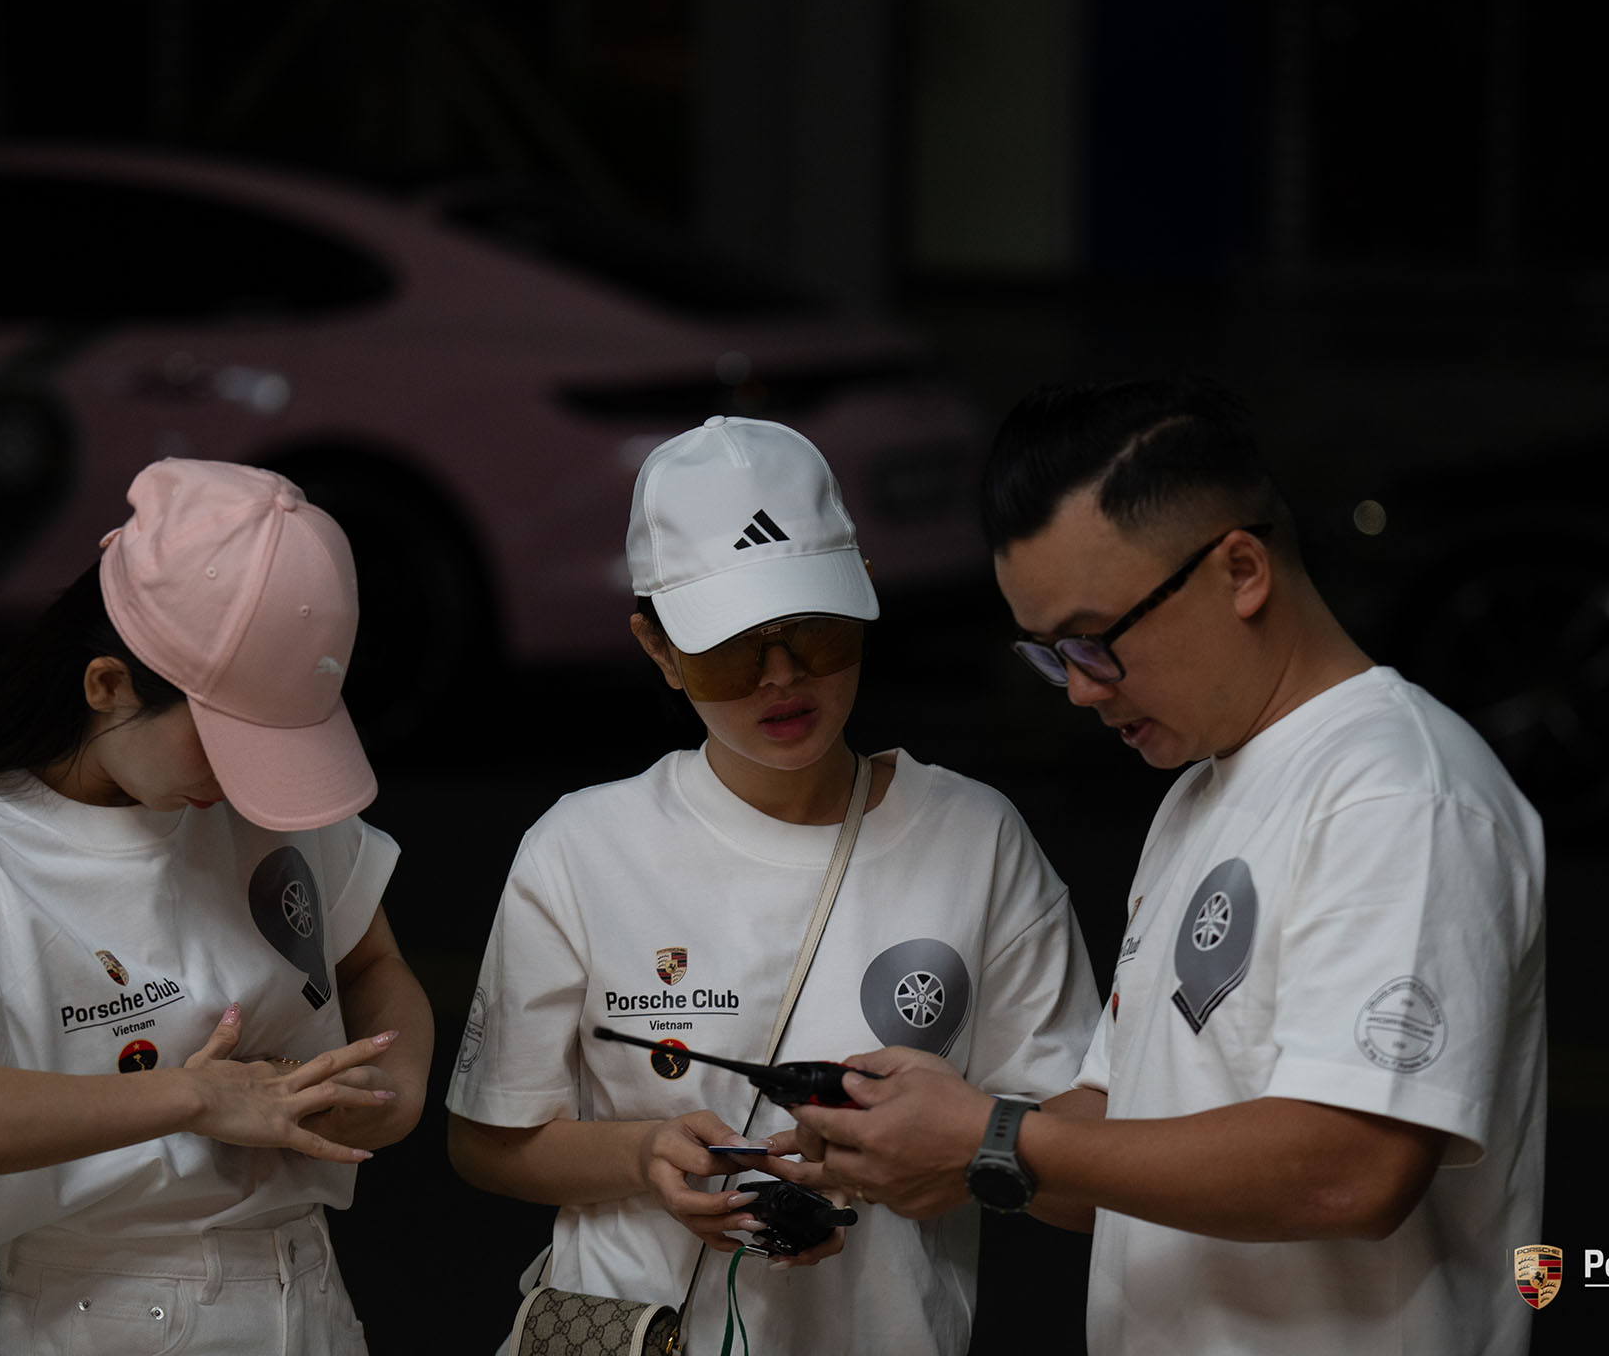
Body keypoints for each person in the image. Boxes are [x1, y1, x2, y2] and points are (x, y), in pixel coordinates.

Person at [791, 378, 1547, 1356]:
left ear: (1240, 569)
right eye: (1047, 654)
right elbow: (1112, 1140)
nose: (1076, 690)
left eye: (1091, 641)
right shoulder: (1199, 795)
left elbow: (1352, 1170)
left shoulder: (1398, 793)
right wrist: (920, 1136)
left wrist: (989, 1137)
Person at [445, 415, 1100, 1355]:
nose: (781, 675)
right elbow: (486, 1139)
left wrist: (942, 1159)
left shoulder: (975, 838)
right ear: (658, 650)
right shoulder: (581, 849)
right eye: (731, 646)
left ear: (863, 593)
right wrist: (642, 1153)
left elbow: (1080, 1153)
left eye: (814, 631)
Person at [0, 459, 435, 1355]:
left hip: (310, 1299)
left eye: (275, 746)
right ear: (107, 684)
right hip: (108, 1311)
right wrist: (190, 1097)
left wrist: (394, 1090)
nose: (246, 780)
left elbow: (372, 962)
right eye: (226, 742)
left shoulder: (265, 801)